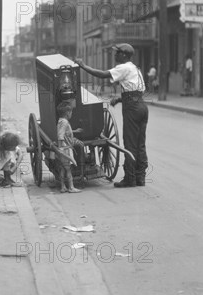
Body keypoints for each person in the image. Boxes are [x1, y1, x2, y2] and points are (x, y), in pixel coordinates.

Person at [76, 43, 148, 188]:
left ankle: (129, 178)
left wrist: (83, 66)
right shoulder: (135, 68)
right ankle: (140, 178)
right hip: (142, 107)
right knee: (140, 144)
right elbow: (137, 91)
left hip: (132, 109)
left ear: (124, 55)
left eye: (117, 53)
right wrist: (120, 99)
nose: (115, 55)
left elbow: (103, 74)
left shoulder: (124, 67)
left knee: (130, 143)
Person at [56, 103, 83, 193]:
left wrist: (75, 131)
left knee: (63, 168)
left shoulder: (60, 121)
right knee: (68, 169)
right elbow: (61, 135)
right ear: (67, 113)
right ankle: (71, 187)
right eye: (71, 112)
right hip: (66, 149)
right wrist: (61, 148)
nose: (72, 114)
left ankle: (63, 186)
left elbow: (65, 132)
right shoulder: (65, 122)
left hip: (63, 148)